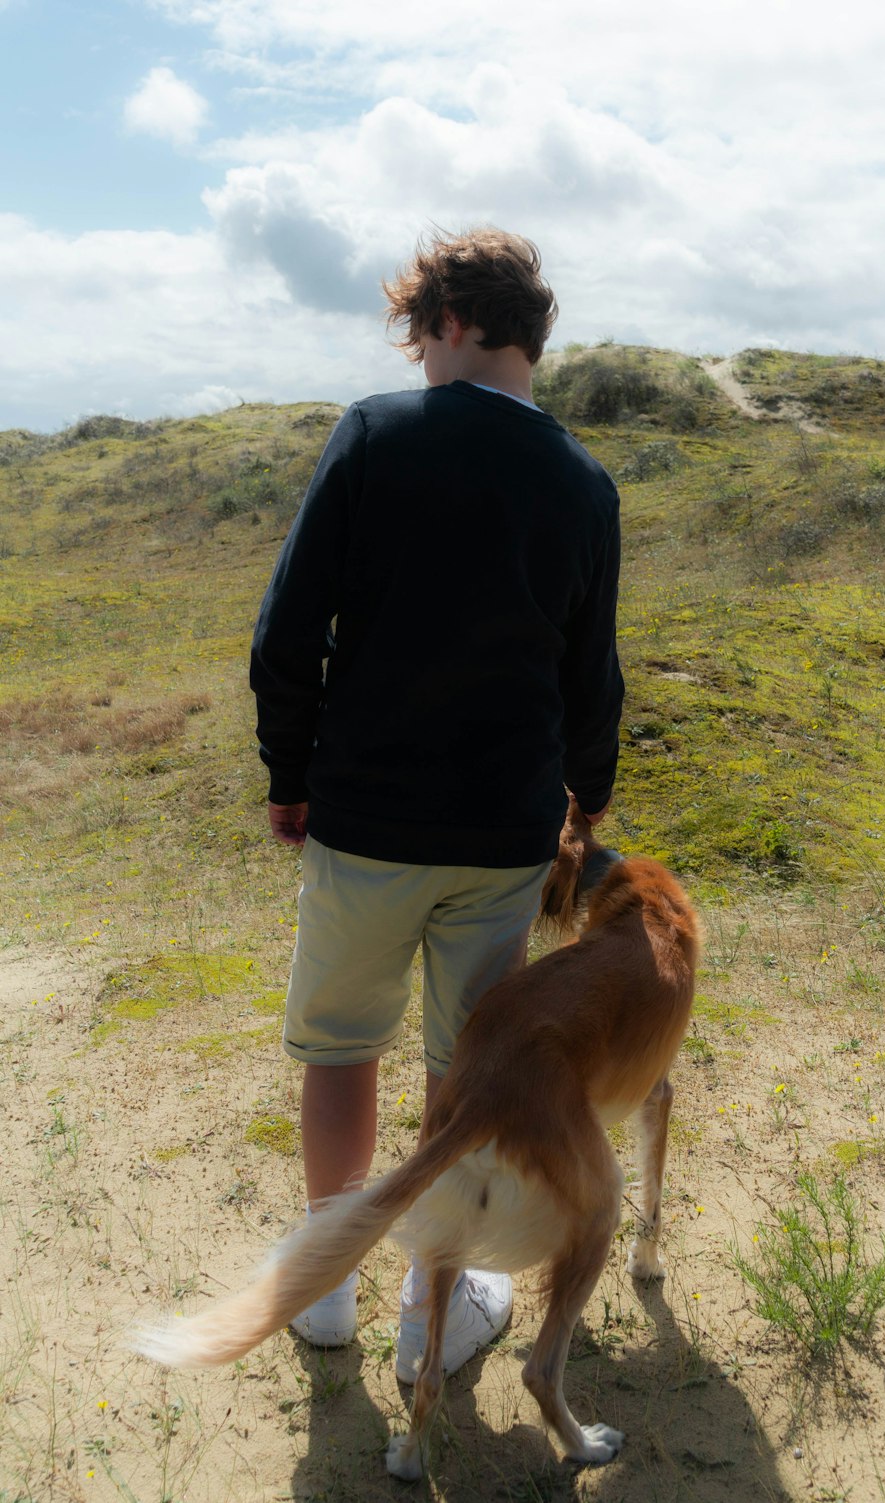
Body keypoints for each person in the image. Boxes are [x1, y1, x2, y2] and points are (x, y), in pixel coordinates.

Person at [249, 226, 624, 1380]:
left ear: (454, 321)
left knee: (340, 1051)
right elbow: (590, 677)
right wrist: (586, 808)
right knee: (465, 1079)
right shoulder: (582, 481)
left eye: (420, 332)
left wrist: (291, 776)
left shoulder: (374, 433)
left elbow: (285, 634)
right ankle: (434, 1307)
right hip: (505, 834)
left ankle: (320, 1294)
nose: (415, 355)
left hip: (361, 819)